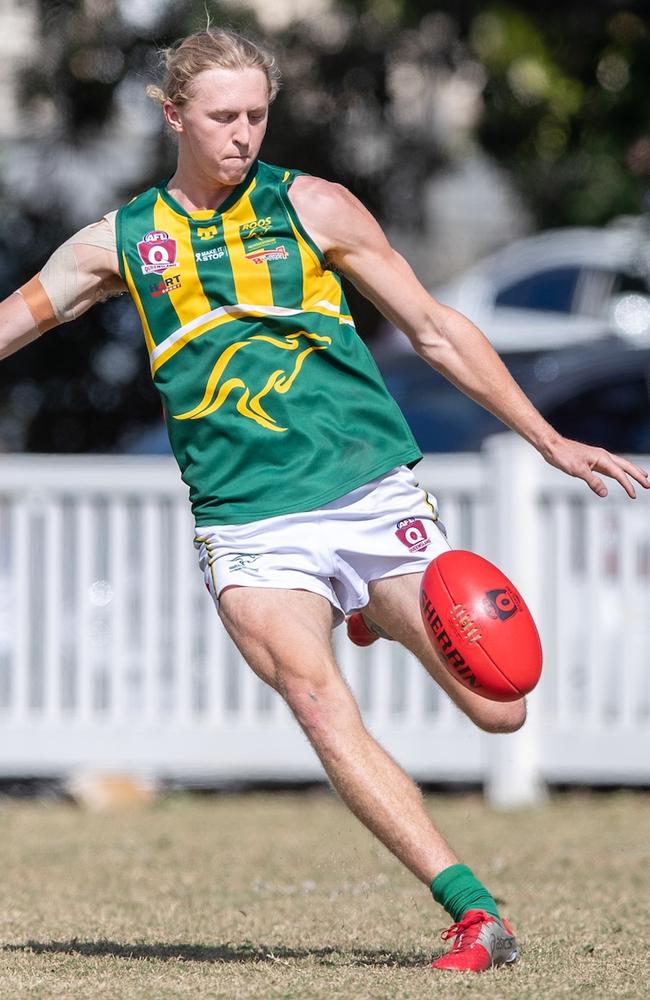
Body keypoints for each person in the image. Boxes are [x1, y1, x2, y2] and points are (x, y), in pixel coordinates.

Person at [1, 28, 647, 973]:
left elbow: (431, 327)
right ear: (172, 113)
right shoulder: (124, 242)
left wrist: (546, 438)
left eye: (258, 115)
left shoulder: (313, 206)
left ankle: (372, 612)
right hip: (247, 522)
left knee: (501, 707)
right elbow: (14, 319)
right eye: (223, 117)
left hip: (366, 491)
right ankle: (471, 912)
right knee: (314, 696)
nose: (243, 135)